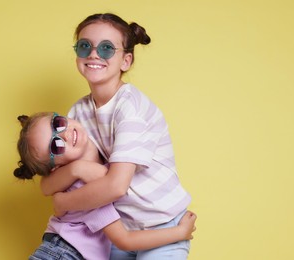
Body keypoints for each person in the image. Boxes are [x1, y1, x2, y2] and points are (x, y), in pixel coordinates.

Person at [42, 13, 193, 259]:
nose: (93, 54)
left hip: (163, 225)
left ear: (126, 60)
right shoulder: (78, 112)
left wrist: (64, 203)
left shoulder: (130, 108)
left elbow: (115, 186)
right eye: (84, 46)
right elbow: (48, 186)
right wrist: (77, 169)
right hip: (118, 230)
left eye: (106, 48)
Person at [14, 112, 196, 260]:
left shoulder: (99, 141)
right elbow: (124, 240)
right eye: (56, 145)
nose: (65, 134)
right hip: (65, 253)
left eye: (58, 123)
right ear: (57, 168)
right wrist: (180, 232)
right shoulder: (88, 191)